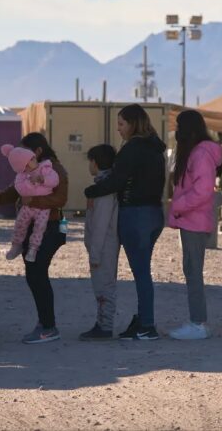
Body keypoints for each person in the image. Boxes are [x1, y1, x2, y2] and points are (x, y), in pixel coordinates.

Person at [85, 104, 166, 341]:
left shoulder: (132, 148)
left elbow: (117, 181)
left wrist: (91, 191)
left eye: (121, 124)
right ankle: (142, 320)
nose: (118, 129)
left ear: (132, 124)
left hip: (135, 215)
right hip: (154, 213)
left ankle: (146, 324)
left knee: (141, 273)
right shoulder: (156, 147)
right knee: (143, 270)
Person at [0, 133, 69, 344]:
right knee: (34, 274)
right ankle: (45, 323)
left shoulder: (53, 169)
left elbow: (60, 199)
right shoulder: (28, 168)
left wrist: (33, 200)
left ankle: (48, 327)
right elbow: (16, 189)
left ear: (37, 151)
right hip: (33, 227)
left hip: (50, 228)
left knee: (37, 274)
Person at [167, 109, 222, 341]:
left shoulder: (200, 154)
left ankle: (198, 322)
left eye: (179, 126)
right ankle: (197, 320)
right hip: (191, 219)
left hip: (194, 220)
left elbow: (202, 190)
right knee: (191, 270)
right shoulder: (197, 152)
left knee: (193, 271)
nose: (177, 131)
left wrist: (178, 205)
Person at [79, 144, 120, 341]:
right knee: (102, 286)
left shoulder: (104, 191)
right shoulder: (103, 186)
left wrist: (94, 254)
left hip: (104, 247)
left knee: (104, 287)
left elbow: (100, 225)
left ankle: (105, 326)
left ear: (95, 162)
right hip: (103, 246)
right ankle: (102, 323)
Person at [1, 144, 60, 262]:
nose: (35, 159)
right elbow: (21, 189)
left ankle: (33, 248)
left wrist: (43, 180)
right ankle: (16, 245)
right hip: (28, 206)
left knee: (40, 226)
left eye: (33, 157)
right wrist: (30, 183)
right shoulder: (21, 177)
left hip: (43, 206)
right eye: (31, 159)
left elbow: (55, 180)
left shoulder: (45, 168)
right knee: (20, 224)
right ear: (24, 166)